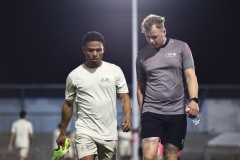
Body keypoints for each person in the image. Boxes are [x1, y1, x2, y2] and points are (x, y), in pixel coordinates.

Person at [55, 31, 132, 160]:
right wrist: (62, 132)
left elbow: (124, 98)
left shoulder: (115, 71)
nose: (95, 54)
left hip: (109, 133)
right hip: (85, 131)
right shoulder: (74, 75)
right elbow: (68, 104)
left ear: (103, 50)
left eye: (98, 50)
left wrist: (128, 116)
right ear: (84, 50)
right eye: (90, 50)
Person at [136, 14, 199, 160]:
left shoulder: (181, 47)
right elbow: (141, 87)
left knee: (169, 157)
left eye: (154, 36)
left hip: (176, 113)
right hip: (152, 112)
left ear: (164, 31)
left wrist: (194, 100)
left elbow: (190, 76)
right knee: (149, 156)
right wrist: (142, 113)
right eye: (147, 37)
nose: (151, 41)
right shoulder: (141, 56)